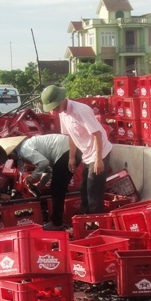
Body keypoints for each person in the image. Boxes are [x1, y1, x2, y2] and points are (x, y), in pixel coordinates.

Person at [42, 85, 113, 215]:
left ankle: (96, 223)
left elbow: (97, 134)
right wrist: (71, 157)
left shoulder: (80, 111)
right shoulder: (63, 113)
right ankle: (85, 221)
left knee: (93, 192)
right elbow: (70, 135)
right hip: (87, 154)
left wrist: (99, 160)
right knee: (84, 190)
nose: (56, 110)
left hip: (99, 153)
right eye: (54, 108)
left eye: (56, 106)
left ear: (62, 99)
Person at [4, 133, 77, 229]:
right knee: (58, 187)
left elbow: (43, 163)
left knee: (57, 188)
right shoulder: (27, 146)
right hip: (68, 150)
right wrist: (40, 184)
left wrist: (32, 177)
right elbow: (49, 170)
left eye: (10, 156)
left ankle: (56, 223)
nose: (11, 159)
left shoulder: (24, 150)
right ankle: (57, 221)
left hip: (66, 151)